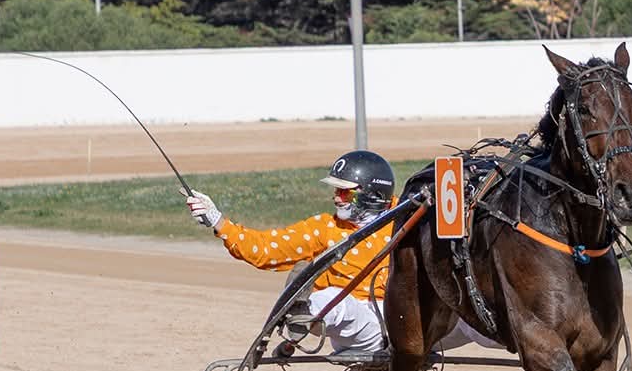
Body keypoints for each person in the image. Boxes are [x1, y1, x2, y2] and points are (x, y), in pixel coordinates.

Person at [184, 149, 498, 354]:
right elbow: (264, 250)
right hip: (365, 329)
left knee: (480, 320)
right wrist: (219, 221)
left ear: (372, 193)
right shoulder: (324, 229)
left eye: (344, 191)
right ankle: (301, 325)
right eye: (336, 190)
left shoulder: (408, 216)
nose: (336, 198)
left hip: (420, 325)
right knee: (330, 301)